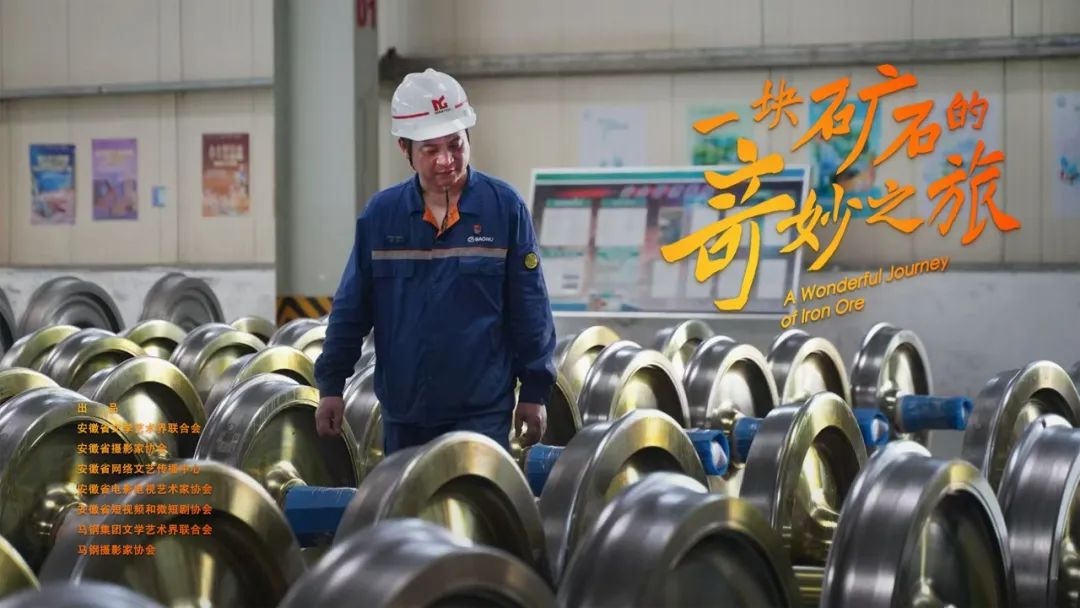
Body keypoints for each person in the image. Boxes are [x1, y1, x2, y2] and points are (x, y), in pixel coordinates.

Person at [313, 68, 557, 456]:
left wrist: (534, 390)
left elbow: (530, 308)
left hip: (482, 414)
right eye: (430, 149)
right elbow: (351, 308)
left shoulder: (504, 209)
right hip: (404, 416)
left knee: (477, 496)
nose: (446, 160)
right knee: (408, 497)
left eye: (455, 144)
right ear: (404, 148)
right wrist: (331, 385)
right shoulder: (382, 216)